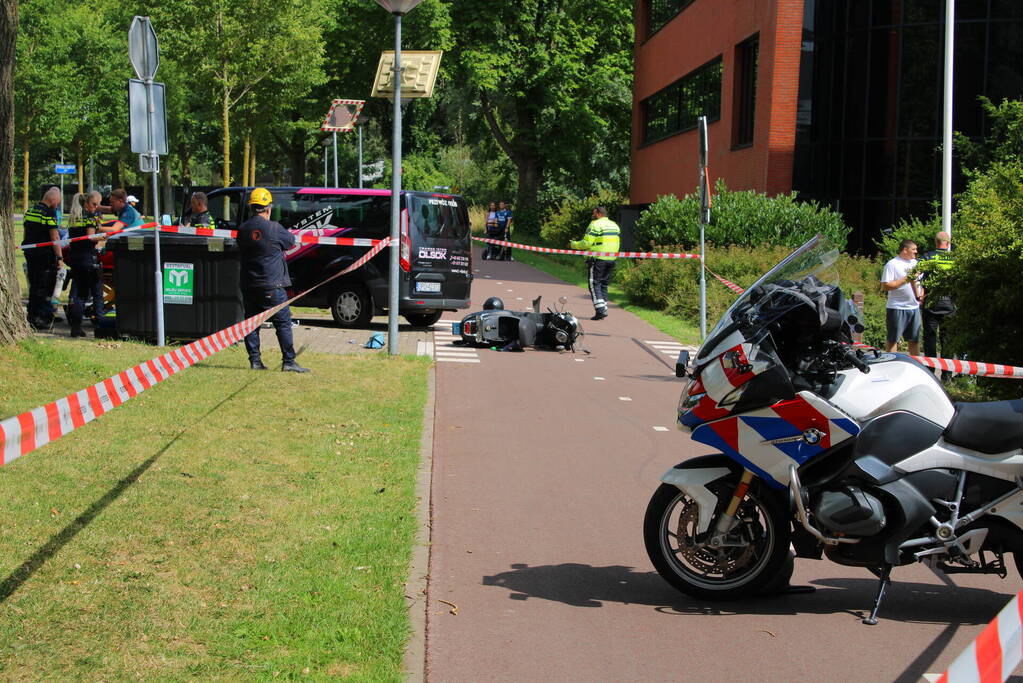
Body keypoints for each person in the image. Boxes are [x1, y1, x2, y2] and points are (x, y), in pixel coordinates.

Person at [236, 187, 309, 373]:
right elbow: (291, 242)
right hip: (272, 284)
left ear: (252, 208)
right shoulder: (274, 228)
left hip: (249, 284)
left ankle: (255, 361)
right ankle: (289, 361)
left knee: (251, 323)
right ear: (268, 208)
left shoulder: (243, 229)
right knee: (283, 322)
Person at [64, 192, 105, 337]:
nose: (96, 207)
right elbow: (91, 237)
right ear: (86, 203)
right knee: (97, 294)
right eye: (94, 204)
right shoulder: (90, 217)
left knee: (80, 295)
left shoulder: (74, 218)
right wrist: (104, 237)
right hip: (89, 259)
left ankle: (75, 327)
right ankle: (101, 327)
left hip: (75, 258)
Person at [22, 187, 64, 329]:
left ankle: (33, 314)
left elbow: (26, 232)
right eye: (57, 202)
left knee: (34, 284)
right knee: (45, 286)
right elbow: (55, 237)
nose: (57, 205)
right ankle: (42, 317)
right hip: (44, 255)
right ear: (52, 199)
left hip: (30, 252)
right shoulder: (49, 213)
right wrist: (59, 257)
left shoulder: (30, 211)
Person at [570, 206, 620, 320]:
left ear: (598, 214)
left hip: (598, 258)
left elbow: (586, 243)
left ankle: (601, 310)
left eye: (593, 213)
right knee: (603, 284)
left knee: (594, 283)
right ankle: (603, 309)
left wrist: (573, 244)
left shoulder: (595, 225)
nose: (592, 215)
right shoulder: (614, 225)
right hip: (611, 258)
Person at [918, 230, 955, 371]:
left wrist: (919, 292)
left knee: (930, 339)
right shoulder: (955, 258)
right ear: (948, 243)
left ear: (935, 242)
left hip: (931, 304)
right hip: (950, 304)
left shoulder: (928, 257)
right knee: (948, 340)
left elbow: (915, 272)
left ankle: (931, 371)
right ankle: (947, 374)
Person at [881, 239, 921, 355]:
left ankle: (915, 366)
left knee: (914, 340)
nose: (916, 252)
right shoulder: (892, 264)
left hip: (914, 307)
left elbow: (919, 282)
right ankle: (891, 365)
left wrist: (921, 293)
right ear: (905, 250)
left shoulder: (916, 263)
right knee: (893, 340)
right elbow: (886, 286)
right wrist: (907, 278)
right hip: (897, 307)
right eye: (913, 249)